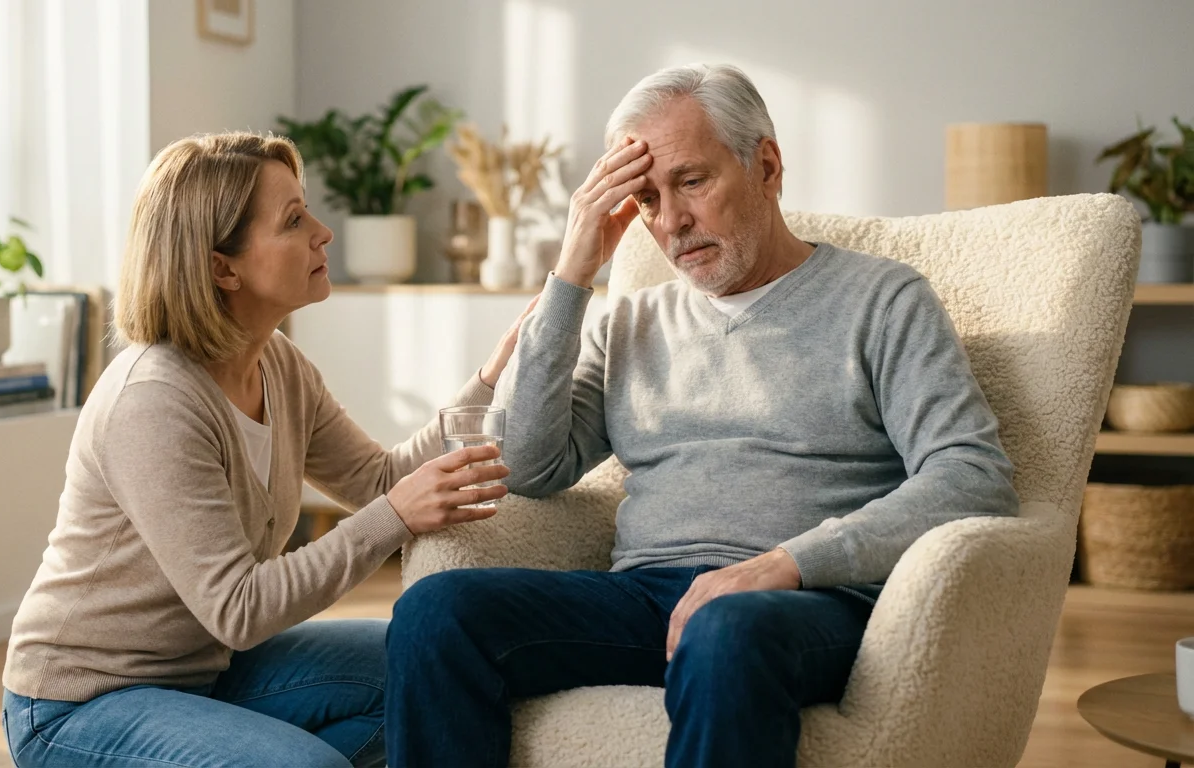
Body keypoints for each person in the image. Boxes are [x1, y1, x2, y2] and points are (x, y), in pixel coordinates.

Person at [385, 63, 1020, 768]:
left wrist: (785, 564)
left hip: (801, 604)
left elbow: (973, 477)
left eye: (691, 181)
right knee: (436, 611)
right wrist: (572, 272)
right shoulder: (628, 323)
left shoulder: (883, 301)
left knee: (728, 628)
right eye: (646, 199)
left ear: (767, 165)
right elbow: (531, 467)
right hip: (644, 599)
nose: (672, 222)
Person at [1, 131, 530, 768]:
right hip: (80, 702)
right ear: (222, 266)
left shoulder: (278, 363)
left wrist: (492, 380)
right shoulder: (153, 400)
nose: (323, 232)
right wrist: (396, 514)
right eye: (294, 220)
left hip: (208, 672)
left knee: (436, 666)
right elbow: (239, 608)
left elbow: (374, 476)